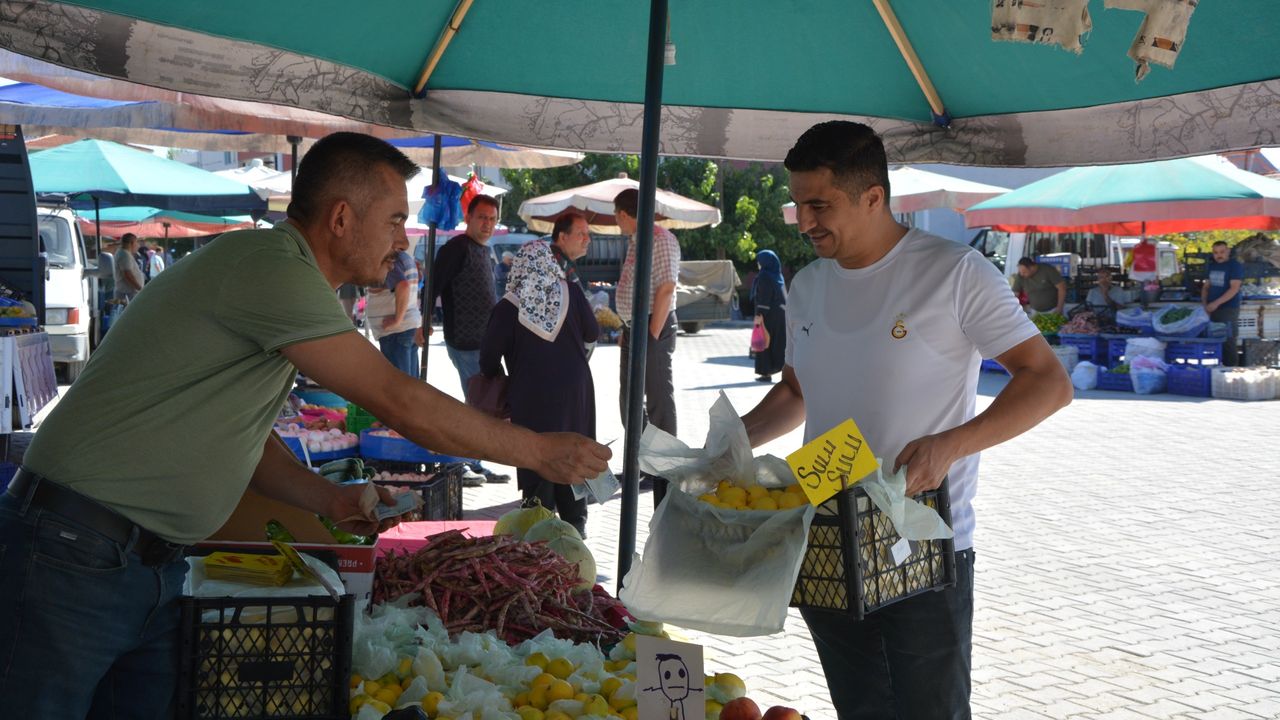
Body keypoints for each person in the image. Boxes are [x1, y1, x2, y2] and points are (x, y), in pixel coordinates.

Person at [0, 132, 610, 719]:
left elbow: (244, 436)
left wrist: (329, 498)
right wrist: (534, 449)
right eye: (395, 220)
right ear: (341, 218)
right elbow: (399, 399)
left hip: (143, 564)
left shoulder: (285, 275)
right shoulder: (271, 265)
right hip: (72, 554)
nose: (403, 240)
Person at [740, 121, 1072, 720]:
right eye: (798, 204)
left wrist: (950, 446)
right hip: (826, 536)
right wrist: (731, 444)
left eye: (820, 205)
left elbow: (1047, 381)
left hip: (922, 540)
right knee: (860, 709)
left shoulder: (955, 273)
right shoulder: (810, 284)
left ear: (874, 197)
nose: (805, 220)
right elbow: (795, 392)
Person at [479, 241, 599, 537]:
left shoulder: (509, 306)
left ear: (518, 269)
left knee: (535, 455)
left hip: (531, 396)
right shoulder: (570, 291)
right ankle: (576, 528)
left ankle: (538, 527)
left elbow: (487, 360)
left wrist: (498, 374)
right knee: (574, 453)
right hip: (576, 391)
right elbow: (593, 332)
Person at [421, 194, 511, 484]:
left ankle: (475, 461)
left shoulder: (484, 250)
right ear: (469, 218)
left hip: (486, 344)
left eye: (492, 219)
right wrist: (423, 323)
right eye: (482, 217)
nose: (487, 223)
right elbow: (432, 285)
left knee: (485, 406)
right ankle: (470, 464)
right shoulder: (456, 248)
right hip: (465, 340)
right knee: (477, 407)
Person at [613, 188, 680, 508]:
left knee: (658, 404)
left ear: (625, 214)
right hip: (636, 327)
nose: (616, 221)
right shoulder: (637, 240)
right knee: (628, 401)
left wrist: (651, 336)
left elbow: (667, 289)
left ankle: (666, 473)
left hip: (653, 325)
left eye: (616, 216)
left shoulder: (661, 239)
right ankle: (646, 461)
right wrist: (629, 328)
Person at [367, 235, 422, 377]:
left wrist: (397, 320)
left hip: (396, 333)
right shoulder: (405, 258)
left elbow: (402, 286)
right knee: (409, 384)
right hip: (403, 330)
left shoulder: (391, 258)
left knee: (400, 386)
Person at [1202, 240, 1244, 366]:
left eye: (1222, 252)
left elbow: (1234, 288)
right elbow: (1206, 287)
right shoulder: (1212, 265)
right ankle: (1219, 370)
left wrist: (1216, 303)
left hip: (1228, 309)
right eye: (1215, 252)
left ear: (1228, 251)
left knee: (1228, 341)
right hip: (1212, 309)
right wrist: (1205, 306)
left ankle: (1231, 371)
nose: (1218, 255)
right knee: (1215, 340)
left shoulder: (1234, 265)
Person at [751, 249, 787, 383]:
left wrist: (759, 315)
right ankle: (782, 369)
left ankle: (765, 373)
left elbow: (764, 298)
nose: (758, 264)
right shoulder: (778, 275)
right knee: (778, 342)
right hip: (780, 314)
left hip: (768, 314)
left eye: (759, 261)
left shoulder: (764, 276)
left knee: (764, 342)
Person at [549, 212, 593, 296]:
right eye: (581, 234)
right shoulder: (555, 263)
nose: (588, 239)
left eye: (588, 234)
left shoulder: (559, 261)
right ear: (562, 237)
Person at [113, 232, 145, 302]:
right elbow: (128, 275)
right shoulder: (124, 255)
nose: (138, 245)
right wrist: (140, 289)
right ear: (132, 243)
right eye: (137, 242)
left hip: (127, 293)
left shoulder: (123, 253)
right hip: (128, 294)